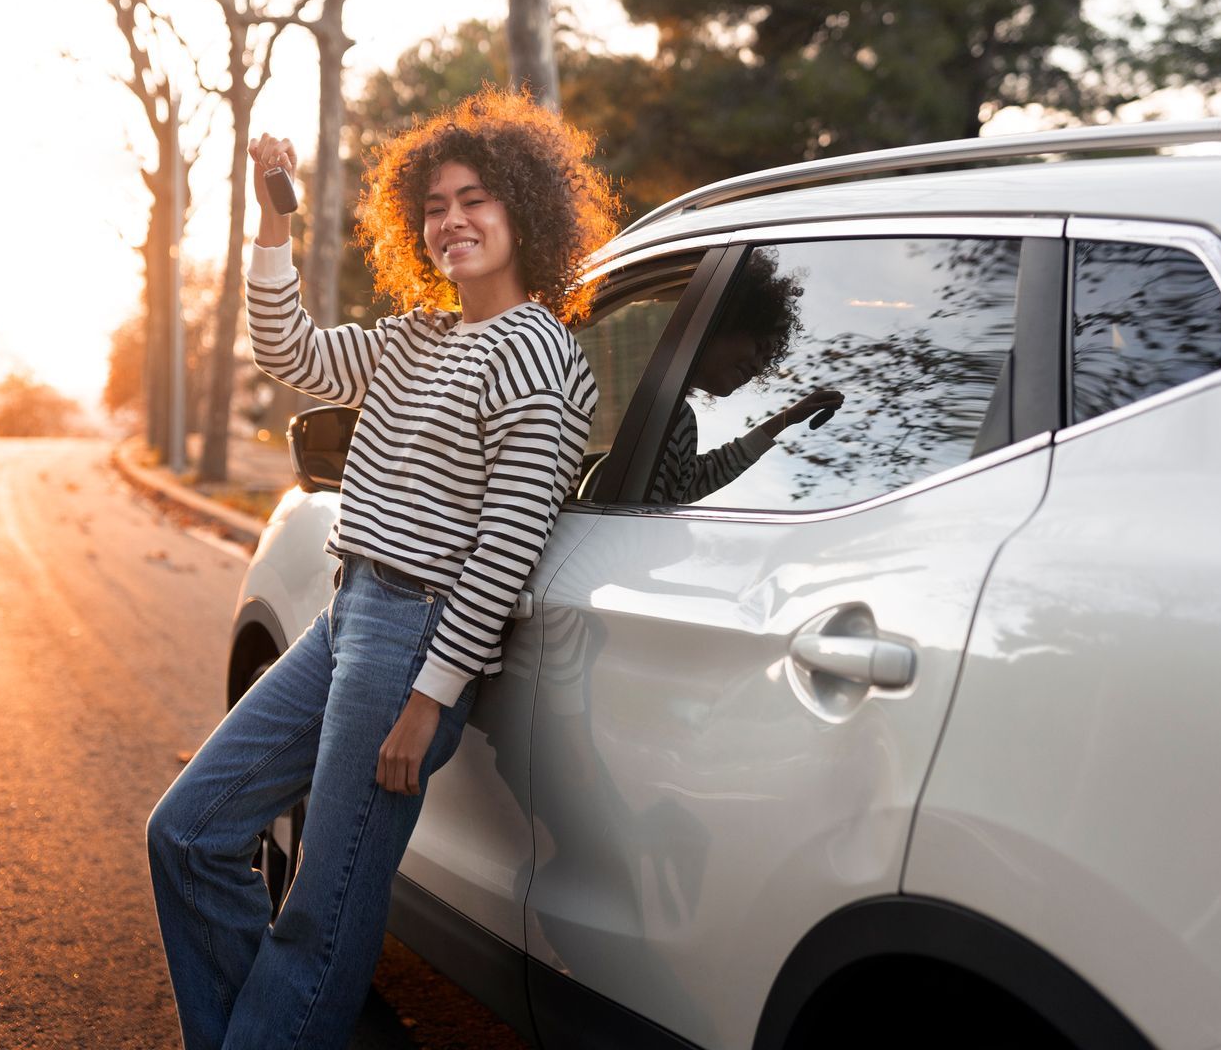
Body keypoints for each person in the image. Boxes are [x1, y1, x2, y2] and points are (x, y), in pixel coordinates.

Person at [146, 88, 616, 1050]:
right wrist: (275, 221)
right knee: (187, 833)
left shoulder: (541, 359)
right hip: (347, 613)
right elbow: (286, 348)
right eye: (436, 206)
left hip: (414, 641)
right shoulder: (415, 338)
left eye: (475, 198)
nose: (453, 221)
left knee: (325, 914)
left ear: (524, 209)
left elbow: (506, 547)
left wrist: (431, 697)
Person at [646, 247, 842, 504]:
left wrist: (787, 419)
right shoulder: (662, 410)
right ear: (724, 322)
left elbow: (689, 483)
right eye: (760, 349)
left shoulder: (672, 414)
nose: (759, 368)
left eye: (766, 362)